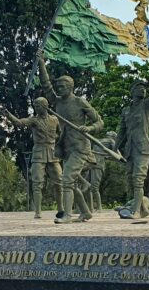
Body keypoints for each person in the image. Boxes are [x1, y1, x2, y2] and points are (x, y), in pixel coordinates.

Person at [37, 57, 103, 224]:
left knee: (66, 179)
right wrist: (41, 63)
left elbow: (99, 122)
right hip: (66, 148)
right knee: (71, 183)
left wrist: (89, 128)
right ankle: (86, 212)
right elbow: (46, 85)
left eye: (62, 86)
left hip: (80, 148)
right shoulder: (57, 102)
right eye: (58, 86)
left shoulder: (80, 102)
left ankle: (67, 215)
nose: (59, 89)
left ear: (71, 87)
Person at [115, 68, 149, 219]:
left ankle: (136, 211)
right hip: (130, 150)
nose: (143, 90)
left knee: (138, 180)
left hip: (143, 148)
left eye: (144, 88)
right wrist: (115, 146)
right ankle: (141, 207)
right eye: (139, 87)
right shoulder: (126, 110)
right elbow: (121, 131)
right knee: (130, 180)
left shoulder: (146, 106)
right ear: (132, 91)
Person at [4, 97, 61, 219]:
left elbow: (60, 134)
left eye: (38, 106)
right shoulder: (34, 120)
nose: (36, 108)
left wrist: (56, 144)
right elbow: (19, 123)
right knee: (37, 183)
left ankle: (61, 209)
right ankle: (38, 211)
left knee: (59, 182)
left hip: (52, 153)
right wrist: (9, 115)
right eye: (34, 106)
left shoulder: (55, 119)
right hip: (38, 154)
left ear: (45, 106)